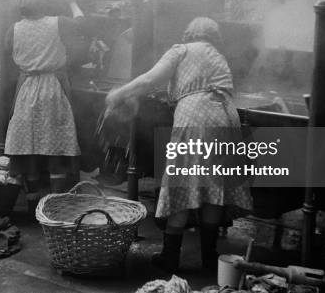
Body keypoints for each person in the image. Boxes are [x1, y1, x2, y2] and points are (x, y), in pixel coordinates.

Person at [105, 17, 252, 273]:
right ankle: (209, 258)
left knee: (182, 185)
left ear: (189, 34)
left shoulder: (181, 50)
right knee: (214, 187)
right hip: (226, 118)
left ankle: (170, 257)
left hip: (196, 118)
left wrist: (119, 94)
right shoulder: (218, 54)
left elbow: (148, 81)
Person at [4, 0, 90, 213]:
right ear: (43, 4)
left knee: (29, 146)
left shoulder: (14, 29)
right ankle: (55, 205)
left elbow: (7, 51)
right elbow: (82, 25)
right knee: (55, 146)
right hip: (52, 89)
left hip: (27, 89)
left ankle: (33, 203)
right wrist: (72, 2)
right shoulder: (57, 23)